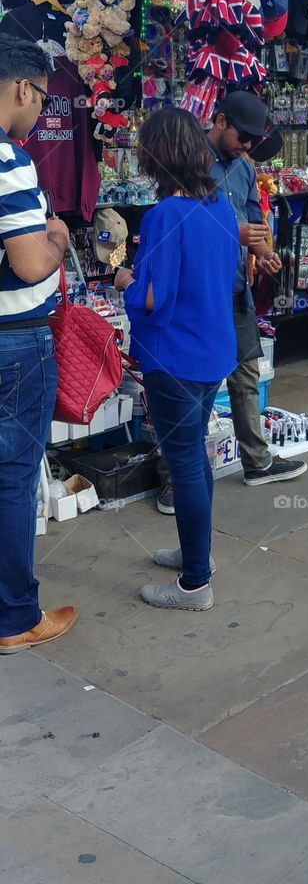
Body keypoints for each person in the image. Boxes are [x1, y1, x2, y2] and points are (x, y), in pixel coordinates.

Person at [155, 92, 307, 513]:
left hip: (236, 287)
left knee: (245, 375)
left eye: (255, 140)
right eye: (245, 136)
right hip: (200, 294)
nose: (248, 145)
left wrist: (260, 250)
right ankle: (174, 478)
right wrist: (234, 233)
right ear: (219, 121)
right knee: (195, 389)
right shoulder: (189, 165)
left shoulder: (242, 167)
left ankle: (257, 461)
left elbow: (248, 220)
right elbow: (181, 227)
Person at [115, 107, 238, 611]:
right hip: (213, 352)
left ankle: (194, 584)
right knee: (195, 459)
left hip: (175, 358)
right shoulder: (220, 207)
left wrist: (125, 282)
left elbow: (152, 299)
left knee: (184, 462)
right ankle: (197, 558)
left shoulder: (165, 215)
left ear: (156, 157)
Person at [0, 37, 77, 654]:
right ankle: (15, 617)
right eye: (42, 98)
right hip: (13, 345)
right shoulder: (10, 159)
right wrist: (55, 236)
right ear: (23, 88)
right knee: (14, 476)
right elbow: (29, 265)